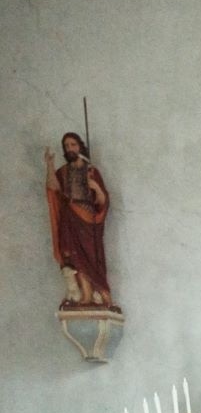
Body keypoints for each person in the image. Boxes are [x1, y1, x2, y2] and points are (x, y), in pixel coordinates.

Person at [44, 131, 113, 306]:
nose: (69, 148)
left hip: (88, 220)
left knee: (92, 257)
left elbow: (103, 202)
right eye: (66, 146)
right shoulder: (63, 172)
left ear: (80, 147)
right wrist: (50, 165)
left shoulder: (91, 171)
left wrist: (96, 188)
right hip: (69, 219)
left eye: (73, 145)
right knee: (74, 258)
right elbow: (53, 188)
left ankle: (102, 295)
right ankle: (86, 295)